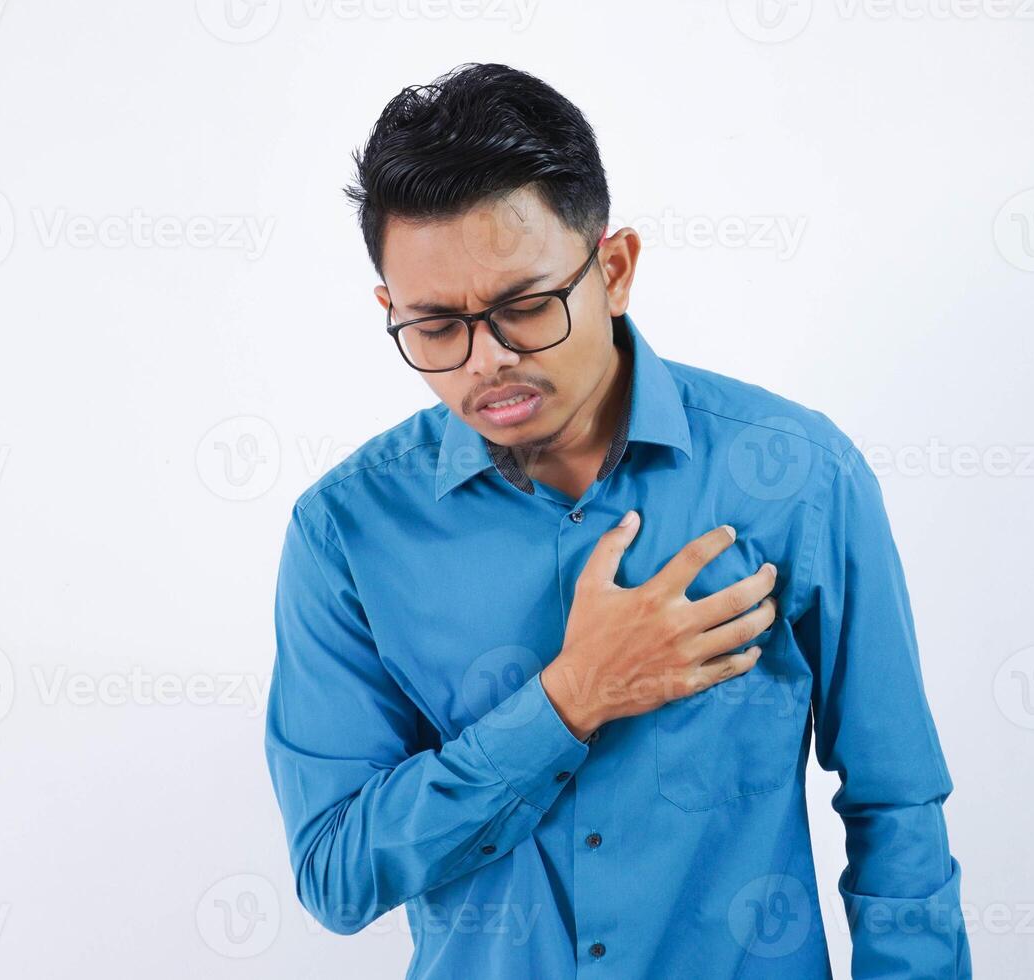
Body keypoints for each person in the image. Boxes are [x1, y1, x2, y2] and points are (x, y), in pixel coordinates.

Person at [264, 62, 970, 979]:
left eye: (525, 308)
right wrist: (569, 699)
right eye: (437, 327)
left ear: (615, 268)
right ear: (389, 310)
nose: (488, 362)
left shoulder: (797, 475)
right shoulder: (346, 533)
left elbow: (895, 803)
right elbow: (335, 875)